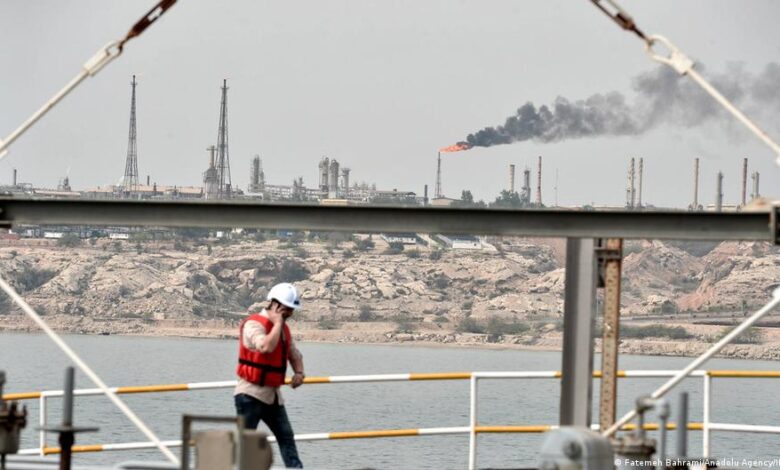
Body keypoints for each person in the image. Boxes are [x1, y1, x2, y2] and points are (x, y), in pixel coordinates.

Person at [234, 282, 305, 468]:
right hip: (250, 394)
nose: (290, 313)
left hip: (273, 396)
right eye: (287, 309)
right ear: (275, 304)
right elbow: (266, 347)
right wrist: (278, 323)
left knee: (286, 437)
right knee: (247, 444)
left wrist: (299, 372)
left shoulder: (284, 329)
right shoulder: (253, 324)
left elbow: (294, 354)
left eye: (291, 309)